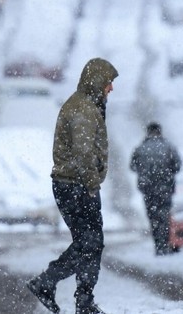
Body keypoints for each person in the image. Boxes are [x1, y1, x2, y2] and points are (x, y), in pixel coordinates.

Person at [27, 57, 119, 314]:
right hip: (76, 186)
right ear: (97, 81)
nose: (111, 88)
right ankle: (53, 285)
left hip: (74, 184)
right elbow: (83, 153)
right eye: (108, 83)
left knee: (89, 242)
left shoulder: (86, 105)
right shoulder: (83, 109)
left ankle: (80, 298)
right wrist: (91, 184)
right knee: (89, 242)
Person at [130, 122, 182, 256]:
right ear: (160, 131)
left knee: (153, 217)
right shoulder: (168, 147)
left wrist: (146, 173)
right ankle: (166, 243)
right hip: (165, 187)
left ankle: (158, 245)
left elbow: (132, 166)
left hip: (148, 189)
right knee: (165, 215)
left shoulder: (141, 148)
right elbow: (177, 165)